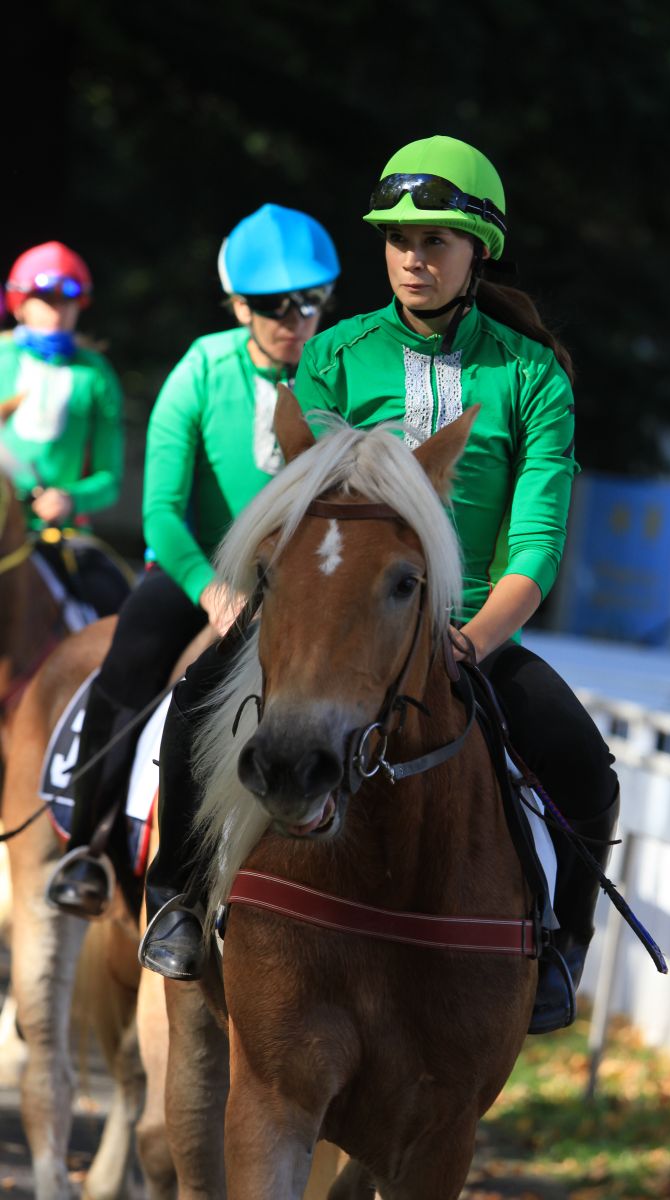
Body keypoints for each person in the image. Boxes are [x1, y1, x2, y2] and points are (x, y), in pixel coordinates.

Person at [137, 135, 618, 1037]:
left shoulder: (532, 375)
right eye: (398, 239)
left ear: (479, 251)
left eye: (435, 241)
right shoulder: (333, 355)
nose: (413, 258)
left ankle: (563, 946)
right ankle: (179, 897)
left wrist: (473, 640)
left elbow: (537, 546)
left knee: (586, 765)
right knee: (198, 694)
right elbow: (307, 510)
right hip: (340, 619)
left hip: (470, 633)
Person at [45, 204, 340, 919]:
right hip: (197, 573)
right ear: (239, 305)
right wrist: (211, 591)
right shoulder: (201, 369)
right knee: (129, 659)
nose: (295, 319)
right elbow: (160, 513)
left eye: (310, 301)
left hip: (302, 583)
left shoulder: (341, 377)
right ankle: (88, 845)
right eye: (274, 305)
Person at [0, 241, 129, 615]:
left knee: (117, 612)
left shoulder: (96, 374)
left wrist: (71, 499)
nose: (58, 309)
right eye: (45, 298)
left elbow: (109, 479)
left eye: (68, 299)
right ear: (20, 303)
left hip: (59, 541)